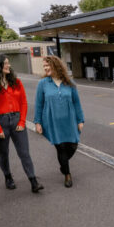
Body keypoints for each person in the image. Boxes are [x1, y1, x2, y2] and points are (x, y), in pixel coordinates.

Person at [0, 53, 44, 193]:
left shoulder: (16, 81)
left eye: (8, 63)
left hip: (16, 119)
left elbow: (23, 102)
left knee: (24, 153)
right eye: (6, 63)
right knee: (3, 153)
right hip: (0, 121)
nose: (9, 65)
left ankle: (33, 181)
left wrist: (22, 121)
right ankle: (8, 177)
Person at [34, 56, 84, 188]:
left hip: (70, 120)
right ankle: (67, 174)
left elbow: (76, 102)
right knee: (61, 147)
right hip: (52, 121)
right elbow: (39, 104)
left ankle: (63, 164)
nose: (45, 68)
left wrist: (80, 120)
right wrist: (37, 122)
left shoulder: (70, 83)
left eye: (47, 65)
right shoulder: (43, 83)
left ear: (56, 65)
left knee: (73, 146)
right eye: (44, 66)